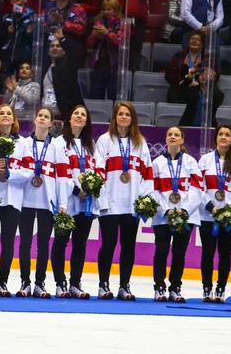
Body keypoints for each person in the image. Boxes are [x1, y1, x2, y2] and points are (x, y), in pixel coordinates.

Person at [95, 102, 154, 300]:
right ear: (115, 117)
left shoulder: (140, 143)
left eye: (127, 114)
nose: (123, 117)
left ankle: (124, 286)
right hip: (110, 204)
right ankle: (103, 284)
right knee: (108, 244)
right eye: (120, 114)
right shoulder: (104, 140)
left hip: (131, 205)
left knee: (128, 246)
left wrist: (143, 202)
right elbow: (97, 172)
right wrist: (102, 200)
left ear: (132, 118)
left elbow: (147, 174)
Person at [0, 104, 32, 297]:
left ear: (13, 120)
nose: (5, 116)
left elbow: (28, 171)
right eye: (1, 113)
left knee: (8, 241)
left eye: (8, 114)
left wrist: (10, 174)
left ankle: (3, 280)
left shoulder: (23, 143)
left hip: (13, 198)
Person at [51, 105, 99, 299]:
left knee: (80, 244)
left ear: (86, 122)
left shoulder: (91, 146)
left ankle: (75, 283)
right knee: (61, 241)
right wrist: (76, 189)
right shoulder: (58, 143)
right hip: (66, 202)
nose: (79, 117)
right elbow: (59, 172)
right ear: (69, 119)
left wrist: (91, 188)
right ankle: (60, 283)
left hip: (85, 203)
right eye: (76, 114)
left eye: (83, 115)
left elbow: (98, 170)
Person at [198, 124, 231, 303]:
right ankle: (206, 288)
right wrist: (212, 208)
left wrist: (227, 210)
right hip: (207, 215)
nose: (223, 137)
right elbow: (198, 187)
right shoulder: (205, 160)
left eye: (227, 134)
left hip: (229, 218)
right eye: (220, 134)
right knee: (207, 252)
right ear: (216, 138)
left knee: (225, 253)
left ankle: (220, 289)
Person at [151, 126, 203, 303]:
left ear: (182, 140)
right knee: (161, 251)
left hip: (184, 217)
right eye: (170, 135)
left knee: (179, 253)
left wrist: (185, 211)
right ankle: (159, 286)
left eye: (176, 135)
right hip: (162, 216)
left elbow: (197, 189)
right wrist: (165, 210)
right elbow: (153, 190)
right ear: (166, 139)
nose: (173, 137)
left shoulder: (191, 162)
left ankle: (175, 287)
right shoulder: (157, 163)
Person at [17, 108, 57, 298]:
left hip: (47, 202)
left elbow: (61, 176)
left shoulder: (56, 146)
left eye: (46, 117)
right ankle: (25, 281)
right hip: (25, 200)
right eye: (40, 115)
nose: (42, 118)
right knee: (24, 243)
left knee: (43, 244)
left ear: (51, 123)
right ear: (34, 120)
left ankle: (40, 283)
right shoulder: (24, 143)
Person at [96, 0, 155, 71]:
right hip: (114, 16)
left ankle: (132, 78)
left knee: (134, 50)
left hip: (135, 17)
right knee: (112, 48)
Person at [165, 30, 224, 124]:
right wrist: (182, 82)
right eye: (192, 38)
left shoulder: (209, 58)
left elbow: (215, 75)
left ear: (202, 43)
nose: (194, 41)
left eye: (198, 39)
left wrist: (208, 76)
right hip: (181, 88)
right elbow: (169, 74)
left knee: (204, 94)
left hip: (201, 87)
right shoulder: (179, 56)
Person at [45, 0, 87, 69]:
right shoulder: (47, 7)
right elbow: (42, 26)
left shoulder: (78, 8)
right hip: (50, 49)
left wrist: (63, 22)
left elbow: (81, 29)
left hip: (70, 50)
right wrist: (49, 23)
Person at [87, 0, 123, 100]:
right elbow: (89, 45)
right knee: (95, 95)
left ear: (116, 10)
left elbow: (120, 43)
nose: (106, 12)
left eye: (109, 9)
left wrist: (107, 33)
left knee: (113, 96)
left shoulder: (122, 23)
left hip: (114, 65)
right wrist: (93, 36)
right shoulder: (99, 22)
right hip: (98, 63)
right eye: (104, 9)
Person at [41, 39, 84, 121]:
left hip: (63, 117)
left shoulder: (68, 67)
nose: (55, 48)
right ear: (48, 51)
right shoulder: (45, 69)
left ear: (64, 51)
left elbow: (75, 54)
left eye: (58, 46)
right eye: (52, 46)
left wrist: (63, 39)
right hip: (46, 116)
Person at [0, 0, 34, 76]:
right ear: (11, 0)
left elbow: (36, 40)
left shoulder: (32, 17)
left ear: (25, 0)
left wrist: (29, 33)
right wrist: (8, 32)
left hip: (24, 57)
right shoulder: (5, 17)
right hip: (7, 57)